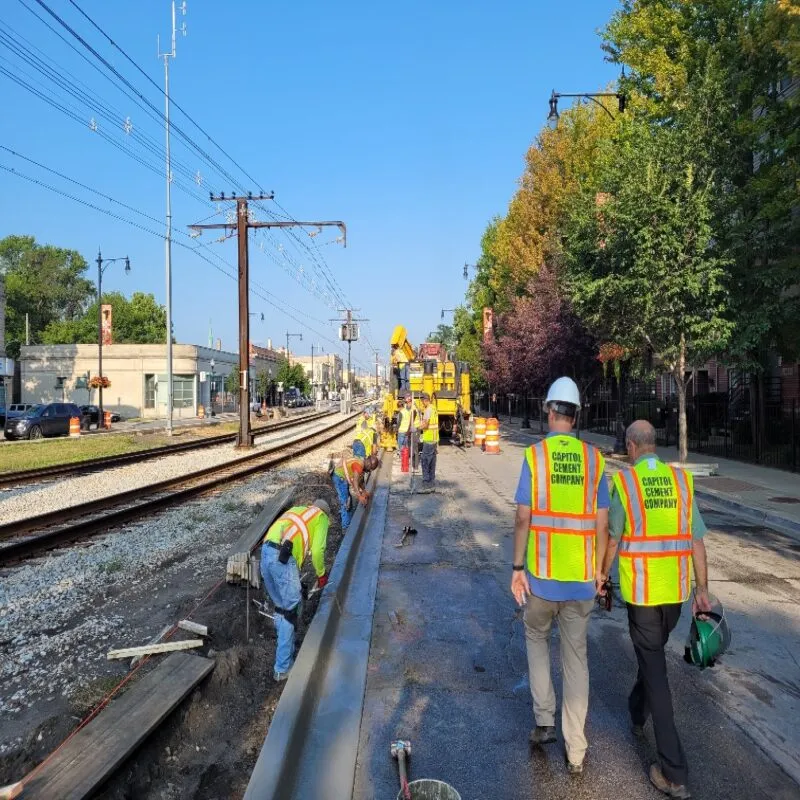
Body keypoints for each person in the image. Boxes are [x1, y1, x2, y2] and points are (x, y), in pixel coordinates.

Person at [598, 420, 711, 799]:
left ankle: (673, 772)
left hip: (643, 596)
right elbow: (696, 542)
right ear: (654, 445)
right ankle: (635, 711)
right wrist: (703, 590)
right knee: (652, 662)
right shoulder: (681, 482)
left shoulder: (626, 484)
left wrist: (601, 577)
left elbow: (613, 540)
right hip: (675, 597)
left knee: (657, 675)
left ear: (631, 447)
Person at [510, 377, 609, 775]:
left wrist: (517, 568)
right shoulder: (595, 460)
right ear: (577, 415)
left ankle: (545, 720)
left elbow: (522, 517)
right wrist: (601, 572)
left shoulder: (535, 457)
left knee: (536, 640)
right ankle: (577, 752)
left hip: (541, 580)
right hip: (581, 582)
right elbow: (603, 525)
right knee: (576, 660)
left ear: (550, 412)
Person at [260, 499, 331, 681]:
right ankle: (282, 668)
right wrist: (321, 574)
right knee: (291, 611)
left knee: (281, 608)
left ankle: (286, 649)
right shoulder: (321, 517)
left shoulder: (298, 510)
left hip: (265, 554)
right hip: (283, 558)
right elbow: (317, 551)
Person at [331, 452, 380, 529]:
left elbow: (359, 481)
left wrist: (364, 491)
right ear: (369, 464)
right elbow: (355, 481)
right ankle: (346, 527)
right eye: (370, 468)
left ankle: (347, 519)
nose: (369, 471)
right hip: (339, 477)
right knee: (345, 502)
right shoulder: (358, 465)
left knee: (347, 499)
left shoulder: (361, 463)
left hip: (342, 476)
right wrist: (359, 496)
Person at [417, 392, 438, 492]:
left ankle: (426, 483)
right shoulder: (433, 408)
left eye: (422, 402)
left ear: (425, 400)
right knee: (432, 461)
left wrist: (417, 428)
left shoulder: (428, 410)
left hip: (429, 439)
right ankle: (432, 482)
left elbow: (425, 425)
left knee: (425, 461)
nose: (422, 404)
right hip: (434, 439)